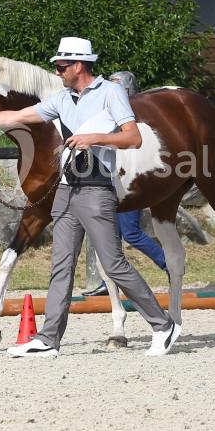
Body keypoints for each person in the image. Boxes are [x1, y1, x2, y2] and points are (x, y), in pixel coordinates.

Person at [0, 37, 181, 358]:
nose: (57, 70)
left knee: (114, 264)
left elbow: (132, 137)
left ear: (78, 66)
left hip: (96, 187)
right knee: (61, 266)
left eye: (61, 65)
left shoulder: (111, 93)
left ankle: (163, 325)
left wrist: (94, 138)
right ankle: (49, 338)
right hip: (66, 188)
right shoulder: (63, 99)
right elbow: (18, 116)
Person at [82, 69, 169, 296]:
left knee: (130, 233)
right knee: (108, 237)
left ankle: (167, 263)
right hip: (107, 181)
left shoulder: (135, 120)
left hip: (128, 183)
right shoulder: (109, 115)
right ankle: (109, 282)